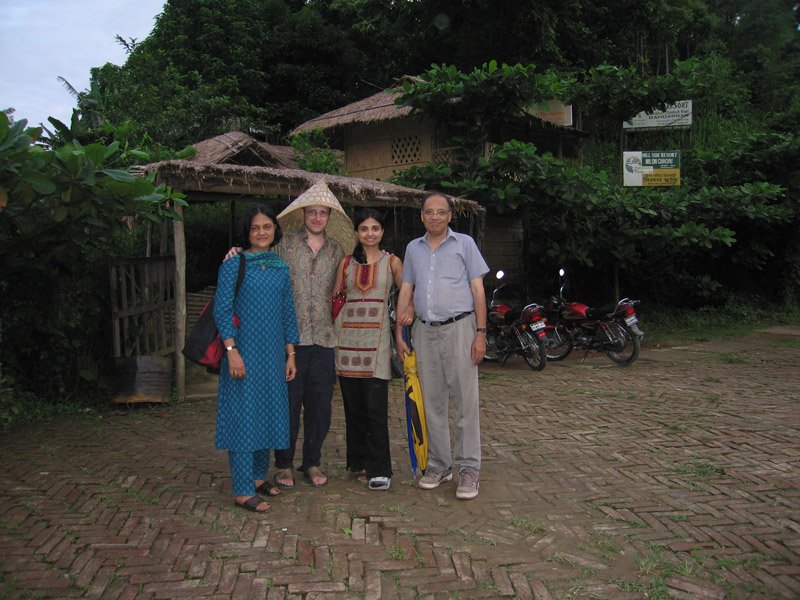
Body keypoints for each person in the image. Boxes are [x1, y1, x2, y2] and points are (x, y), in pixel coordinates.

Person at [224, 180, 352, 489]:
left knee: (321, 404)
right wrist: (237, 251)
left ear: (330, 217)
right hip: (286, 339)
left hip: (323, 337)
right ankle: (283, 464)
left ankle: (312, 462)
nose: (317, 218)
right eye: (312, 212)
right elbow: (257, 254)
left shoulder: (338, 250)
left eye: (323, 213)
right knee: (287, 404)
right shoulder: (283, 244)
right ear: (304, 214)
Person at [395, 192, 489, 500]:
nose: (435, 217)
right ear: (422, 216)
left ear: (450, 216)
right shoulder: (413, 249)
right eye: (429, 212)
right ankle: (438, 464)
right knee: (432, 401)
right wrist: (399, 330)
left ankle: (469, 468)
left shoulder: (465, 245)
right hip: (424, 331)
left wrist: (480, 332)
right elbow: (407, 288)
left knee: (465, 402)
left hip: (460, 329)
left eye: (441, 212)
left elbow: (478, 290)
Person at [214, 205, 299, 512]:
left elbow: (288, 314)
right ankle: (240, 489)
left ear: (275, 230)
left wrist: (290, 354)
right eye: (255, 228)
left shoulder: (280, 266)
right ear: (246, 233)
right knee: (243, 416)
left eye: (267, 226)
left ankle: (256, 477)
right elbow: (221, 310)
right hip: (243, 353)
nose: (262, 232)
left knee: (267, 412)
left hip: (273, 355)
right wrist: (231, 351)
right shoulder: (234, 264)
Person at [333, 209, 404, 491]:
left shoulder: (393, 262)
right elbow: (337, 298)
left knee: (376, 409)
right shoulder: (346, 263)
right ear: (357, 232)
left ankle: (380, 469)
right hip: (346, 343)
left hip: (377, 344)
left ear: (382, 231)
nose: (370, 233)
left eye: (375, 228)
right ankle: (359, 462)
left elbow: (407, 292)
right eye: (364, 228)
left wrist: (405, 314)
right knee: (354, 409)